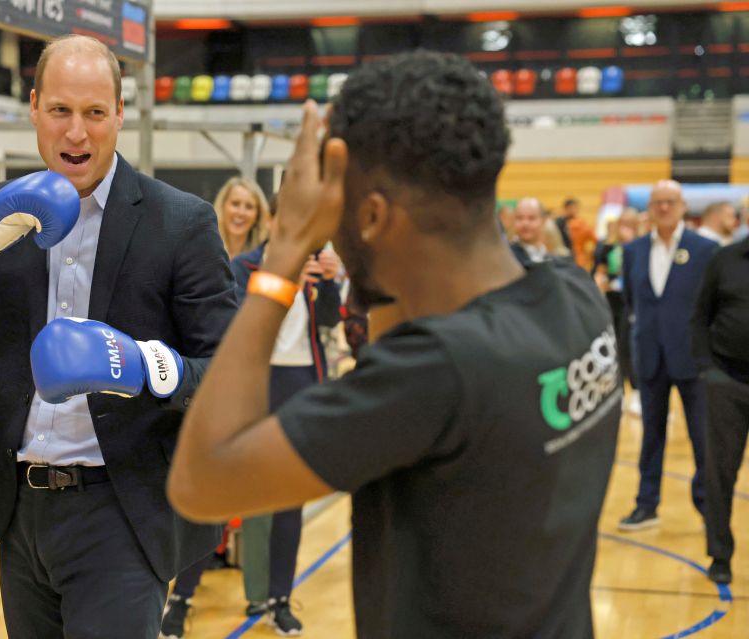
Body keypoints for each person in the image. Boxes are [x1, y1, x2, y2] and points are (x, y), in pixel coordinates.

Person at [165, 51, 620, 638]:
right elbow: (400, 327)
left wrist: (284, 251)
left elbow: (201, 481)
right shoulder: (574, 294)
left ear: (374, 215)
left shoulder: (435, 374)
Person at [0, 35, 237, 639]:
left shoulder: (179, 222)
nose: (76, 133)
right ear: (33, 107)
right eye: (60, 111)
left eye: (94, 113)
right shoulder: (3, 211)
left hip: (119, 512)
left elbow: (232, 375)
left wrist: (140, 365)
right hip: (19, 510)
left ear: (120, 115)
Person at [160, 194, 344, 638]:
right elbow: (234, 325)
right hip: (254, 386)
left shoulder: (318, 268)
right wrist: (282, 281)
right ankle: (181, 598)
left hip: (300, 384)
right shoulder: (244, 267)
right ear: (273, 220)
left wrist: (330, 284)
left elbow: (330, 319)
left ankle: (278, 599)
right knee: (220, 496)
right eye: (290, 217)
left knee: (288, 501)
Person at [617, 180, 718, 532]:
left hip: (692, 359)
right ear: (649, 208)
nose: (663, 208)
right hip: (650, 357)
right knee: (651, 436)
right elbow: (632, 303)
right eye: (657, 202)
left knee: (702, 438)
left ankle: (709, 508)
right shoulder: (633, 251)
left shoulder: (704, 249)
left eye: (669, 202)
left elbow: (713, 304)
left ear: (681, 206)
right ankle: (646, 506)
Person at [691, 233, 749, 584]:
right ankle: (720, 555)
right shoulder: (724, 259)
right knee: (720, 472)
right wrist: (707, 371)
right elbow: (699, 316)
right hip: (727, 381)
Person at [593, 210, 640, 414]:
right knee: (615, 348)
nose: (625, 227)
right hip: (612, 303)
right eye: (623, 223)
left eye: (630, 224)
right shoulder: (607, 247)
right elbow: (599, 272)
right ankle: (617, 392)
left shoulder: (641, 247)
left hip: (634, 304)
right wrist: (603, 283)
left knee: (633, 349)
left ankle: (637, 393)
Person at [214, 176, 270, 259]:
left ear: (258, 215)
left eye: (249, 207)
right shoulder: (206, 250)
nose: (241, 212)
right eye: (235, 204)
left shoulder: (265, 256)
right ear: (222, 206)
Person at [509, 197, 551, 264]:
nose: (525, 223)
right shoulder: (507, 257)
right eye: (519, 218)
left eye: (531, 218)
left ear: (543, 221)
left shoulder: (551, 258)